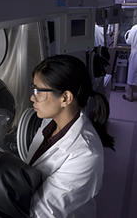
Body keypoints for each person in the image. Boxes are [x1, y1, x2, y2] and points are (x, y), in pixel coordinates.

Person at [26, 54, 114, 218]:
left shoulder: (85, 154)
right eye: (33, 89)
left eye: (39, 91)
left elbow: (43, 212)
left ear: (65, 98)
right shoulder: (49, 123)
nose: (32, 97)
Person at [123, 24, 137, 102]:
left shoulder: (134, 28)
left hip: (135, 54)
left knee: (131, 76)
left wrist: (126, 34)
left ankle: (129, 96)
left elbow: (128, 41)